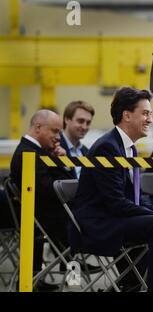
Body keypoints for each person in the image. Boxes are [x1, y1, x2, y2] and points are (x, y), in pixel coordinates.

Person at [69, 87, 153, 291]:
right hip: (101, 223)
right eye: (145, 113)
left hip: (118, 216)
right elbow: (117, 204)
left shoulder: (129, 148)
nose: (150, 119)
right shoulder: (107, 148)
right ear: (127, 115)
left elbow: (135, 199)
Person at [10, 110, 73, 291]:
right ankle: (76, 277)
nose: (58, 137)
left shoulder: (38, 152)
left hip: (48, 218)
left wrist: (61, 161)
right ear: (38, 127)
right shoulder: (29, 154)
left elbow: (58, 184)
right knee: (98, 221)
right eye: (54, 131)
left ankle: (72, 275)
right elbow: (51, 189)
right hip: (51, 220)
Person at [60, 100, 95, 179]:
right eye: (80, 121)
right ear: (67, 119)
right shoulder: (54, 148)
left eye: (88, 123)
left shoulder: (86, 151)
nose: (84, 127)